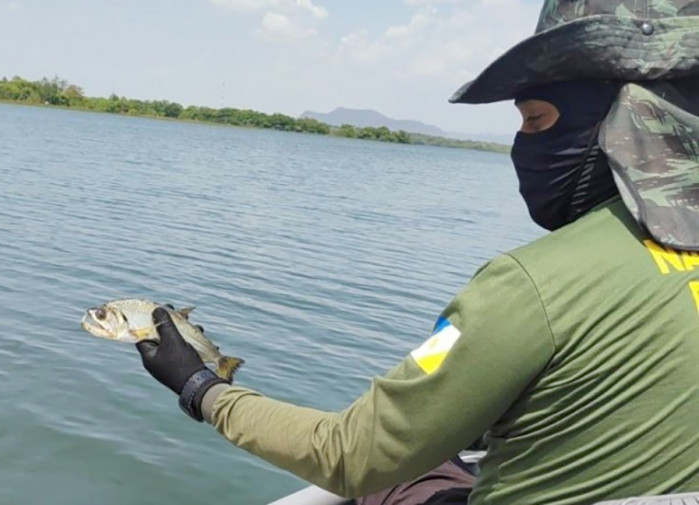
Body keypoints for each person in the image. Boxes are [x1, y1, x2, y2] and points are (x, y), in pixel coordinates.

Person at [134, 1, 699, 504]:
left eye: (535, 120)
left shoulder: (533, 285)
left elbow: (349, 456)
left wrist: (201, 387)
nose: (522, 145)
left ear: (626, 123)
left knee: (392, 478)